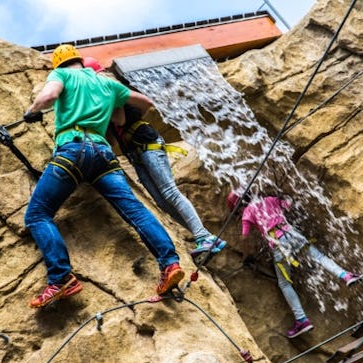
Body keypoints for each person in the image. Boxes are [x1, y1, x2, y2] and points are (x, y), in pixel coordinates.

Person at [23, 44, 184, 308]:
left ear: (59, 64)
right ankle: (170, 264)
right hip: (103, 154)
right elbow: (144, 102)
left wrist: (31, 112)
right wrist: (112, 108)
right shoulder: (106, 83)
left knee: (37, 214)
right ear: (79, 61)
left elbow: (49, 97)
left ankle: (61, 277)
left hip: (73, 149)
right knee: (135, 210)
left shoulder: (62, 75)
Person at [227, 190, 363, 338]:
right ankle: (346, 275)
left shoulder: (247, 212)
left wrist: (246, 256)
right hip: (293, 234)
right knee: (319, 256)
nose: (239, 213)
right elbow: (289, 203)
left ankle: (302, 320)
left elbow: (244, 237)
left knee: (284, 283)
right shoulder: (269, 199)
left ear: (239, 206)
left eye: (237, 211)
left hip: (280, 245)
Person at [108, 103, 227, 265]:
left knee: (169, 192)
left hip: (148, 143)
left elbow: (141, 104)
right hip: (134, 154)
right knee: (162, 202)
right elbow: (112, 140)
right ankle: (206, 237)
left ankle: (203, 237)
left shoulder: (111, 92)